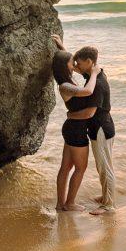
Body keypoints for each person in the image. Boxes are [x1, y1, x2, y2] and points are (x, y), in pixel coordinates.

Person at [53, 35, 117, 215]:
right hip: (83, 129)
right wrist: (62, 50)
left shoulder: (95, 83)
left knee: (104, 167)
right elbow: (71, 65)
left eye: (78, 63)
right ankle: (99, 200)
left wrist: (70, 114)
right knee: (87, 167)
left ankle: (108, 204)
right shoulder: (91, 76)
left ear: (89, 62)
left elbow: (89, 112)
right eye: (73, 63)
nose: (75, 66)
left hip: (101, 128)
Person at [50, 45, 101, 212]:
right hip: (75, 130)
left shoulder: (68, 80)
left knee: (66, 167)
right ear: (65, 66)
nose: (76, 64)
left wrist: (61, 47)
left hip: (72, 128)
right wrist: (94, 74)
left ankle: (60, 205)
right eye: (72, 62)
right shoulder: (64, 85)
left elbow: (75, 65)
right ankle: (69, 203)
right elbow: (87, 91)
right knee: (80, 168)